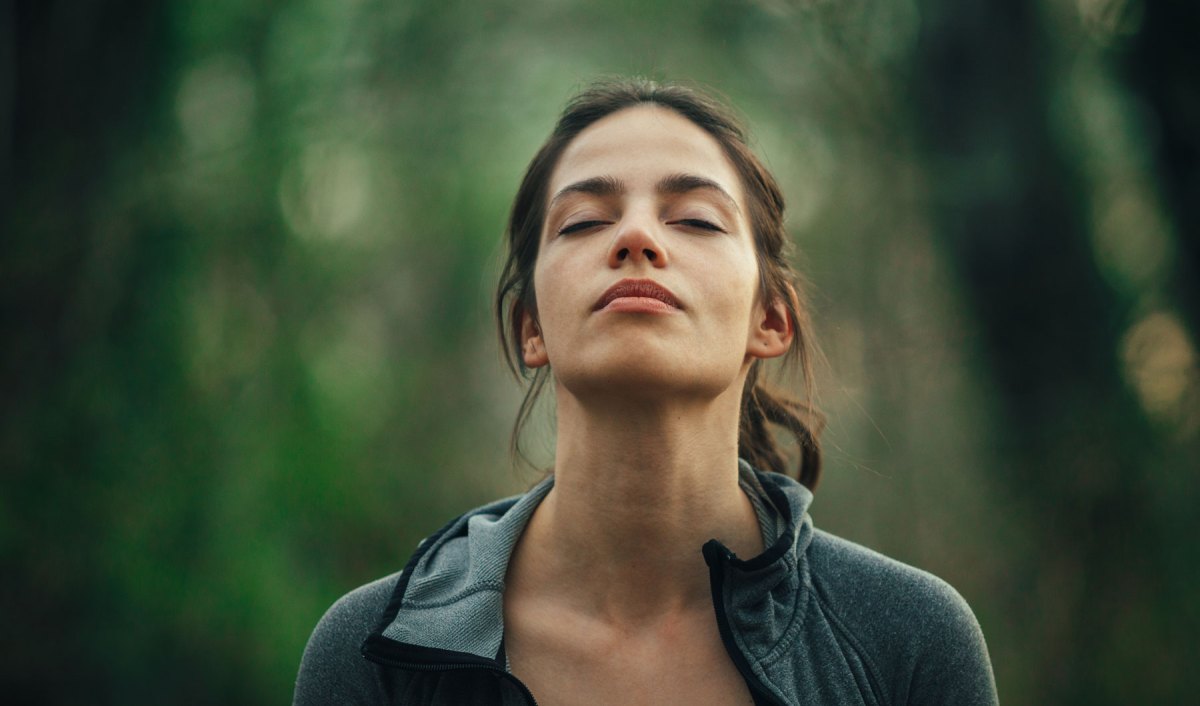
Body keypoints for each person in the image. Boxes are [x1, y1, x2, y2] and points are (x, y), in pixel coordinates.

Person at [293, 78, 999, 706]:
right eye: (583, 221)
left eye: (695, 219)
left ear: (770, 319)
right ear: (530, 326)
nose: (635, 236)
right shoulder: (372, 652)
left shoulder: (909, 641)